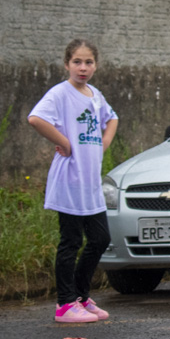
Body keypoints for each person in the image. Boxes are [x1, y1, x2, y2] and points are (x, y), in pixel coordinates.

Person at [28, 39, 118, 323]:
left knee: (100, 239)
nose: (83, 68)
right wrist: (64, 142)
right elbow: (36, 118)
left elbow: (112, 118)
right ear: (67, 64)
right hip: (69, 179)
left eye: (88, 62)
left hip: (90, 184)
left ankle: (80, 296)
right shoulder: (60, 94)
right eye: (77, 62)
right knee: (70, 242)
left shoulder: (94, 95)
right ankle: (65, 304)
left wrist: (104, 143)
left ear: (96, 65)